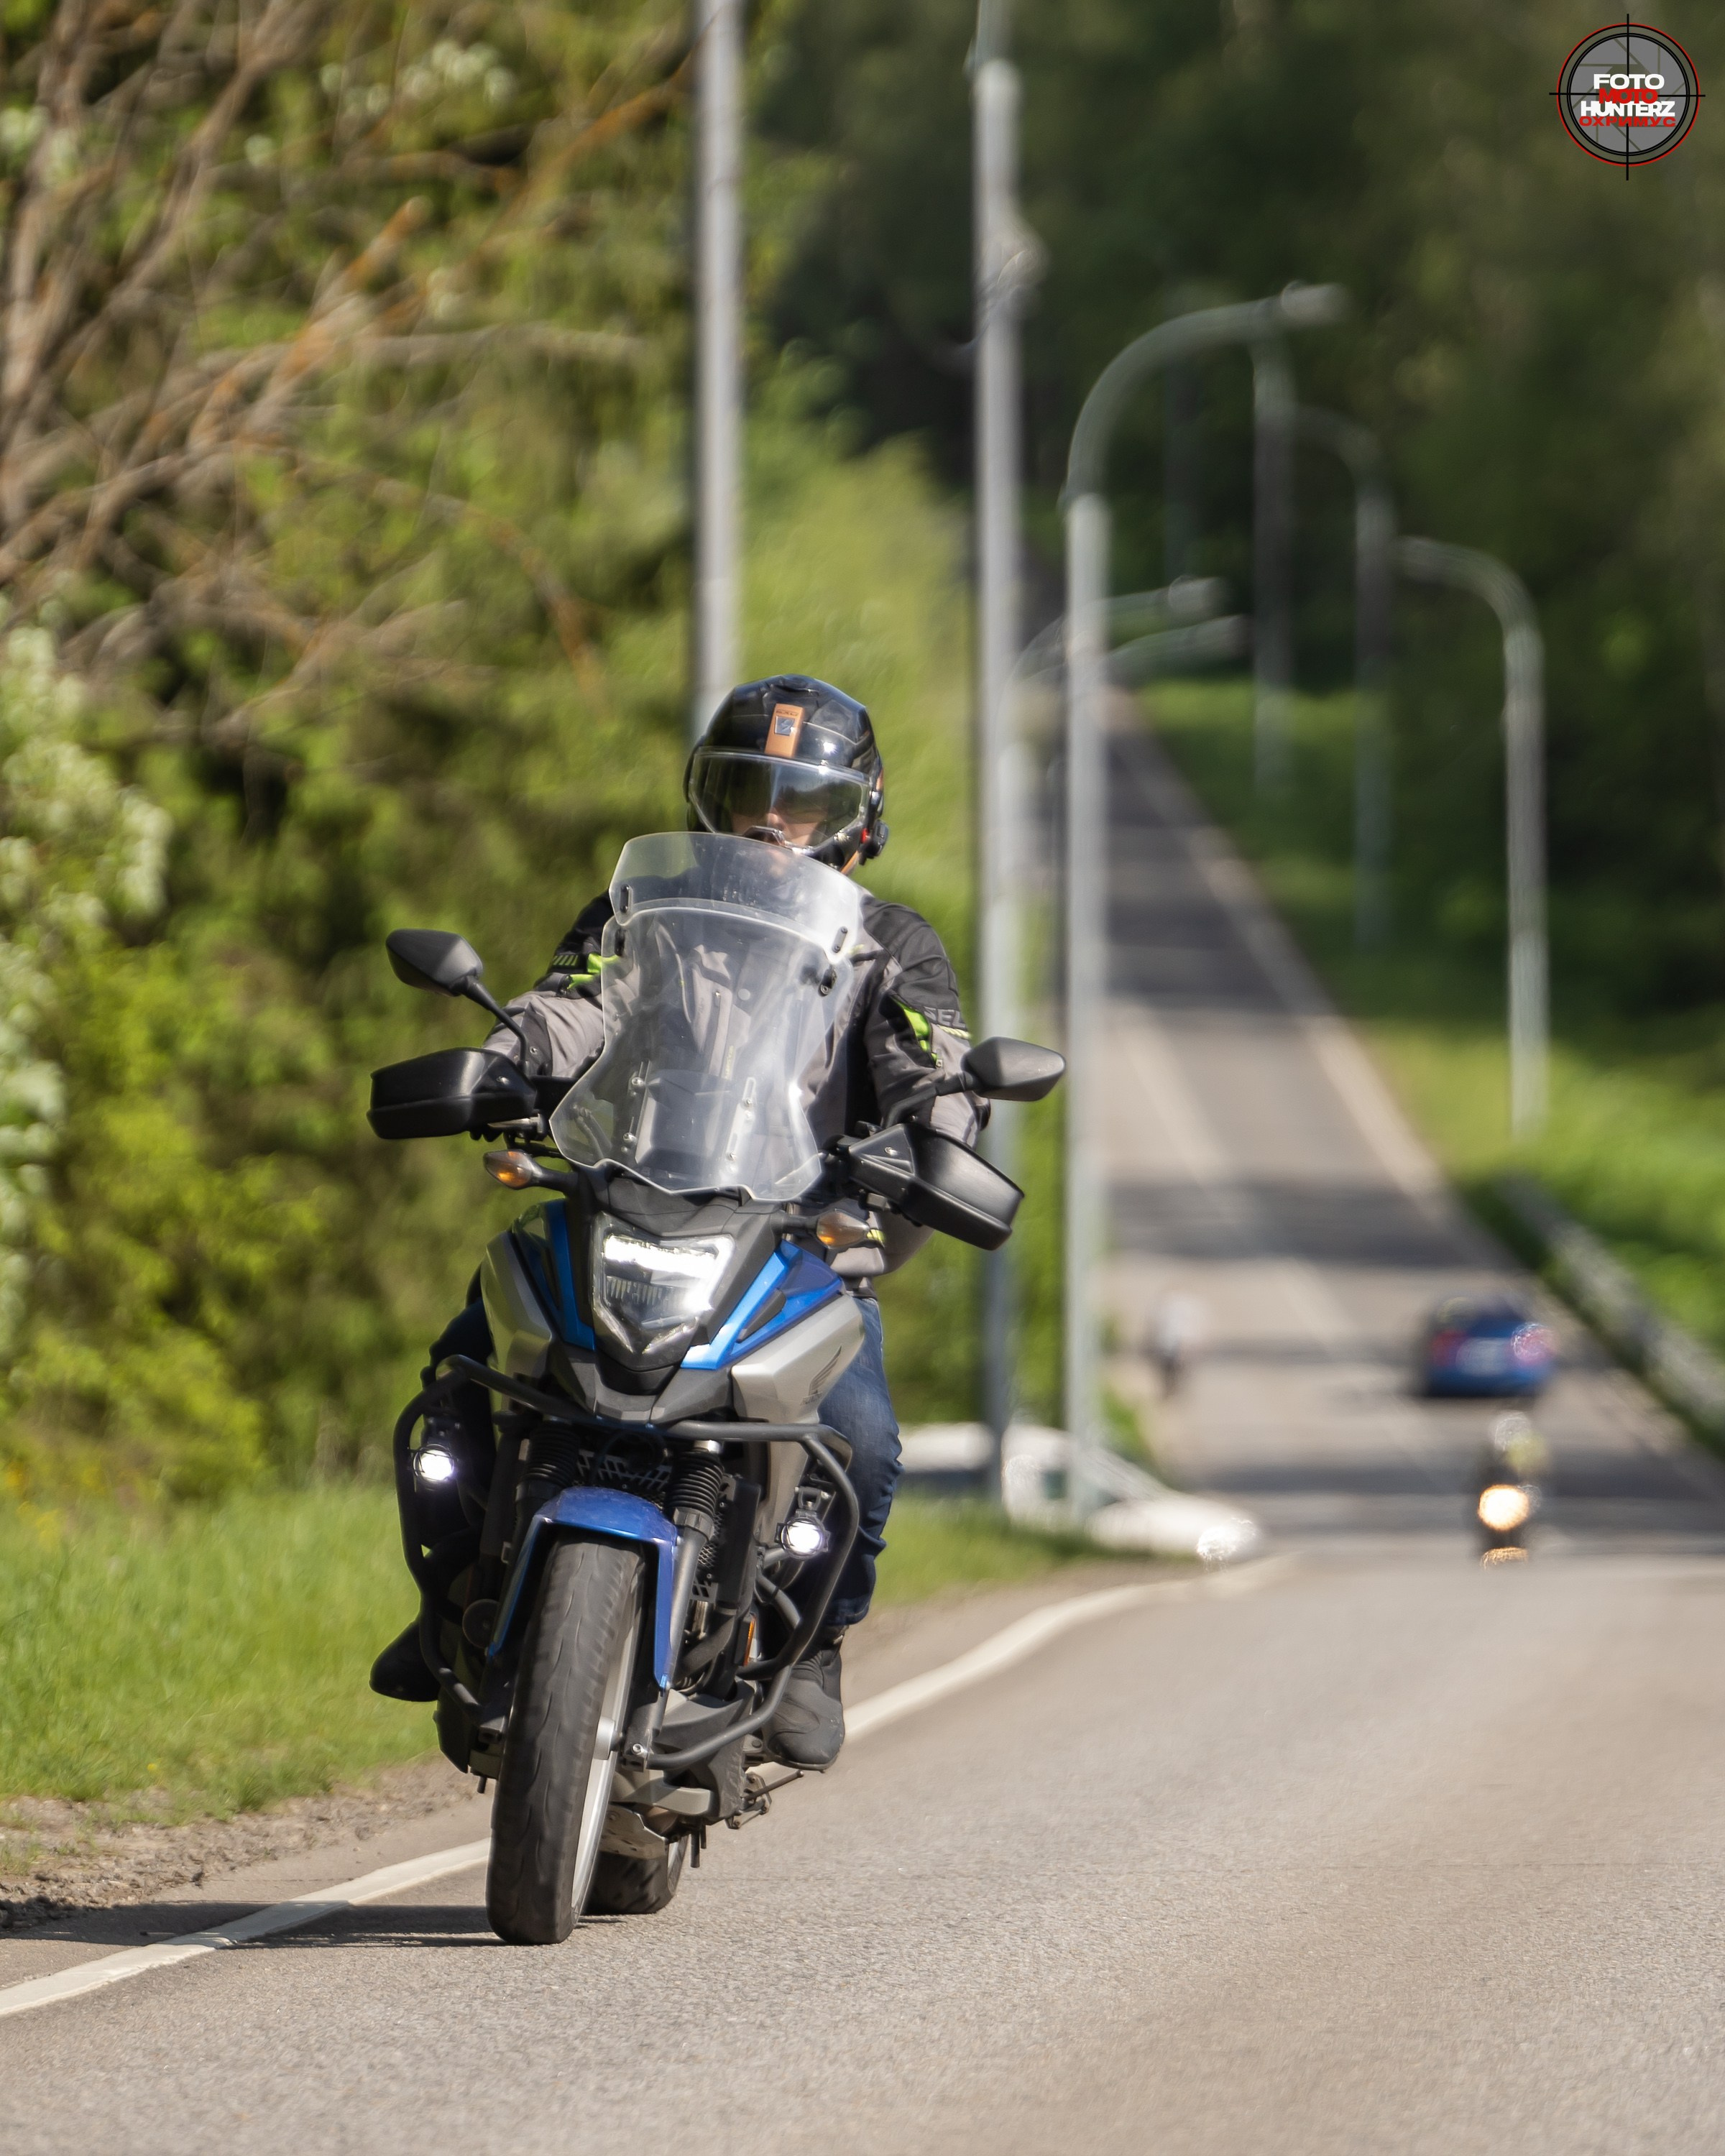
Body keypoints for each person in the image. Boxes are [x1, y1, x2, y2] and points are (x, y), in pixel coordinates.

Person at [370, 675, 978, 1770]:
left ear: (859, 820)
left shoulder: (895, 945)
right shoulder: (642, 912)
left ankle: (809, 1642)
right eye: (748, 791)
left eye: (803, 803)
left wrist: (937, 1134)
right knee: (462, 1381)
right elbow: (575, 1001)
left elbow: (932, 1067)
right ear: (705, 796)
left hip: (799, 1244)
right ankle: (454, 1593)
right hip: (624, 1202)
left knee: (868, 1441)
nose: (771, 823)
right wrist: (509, 1059)